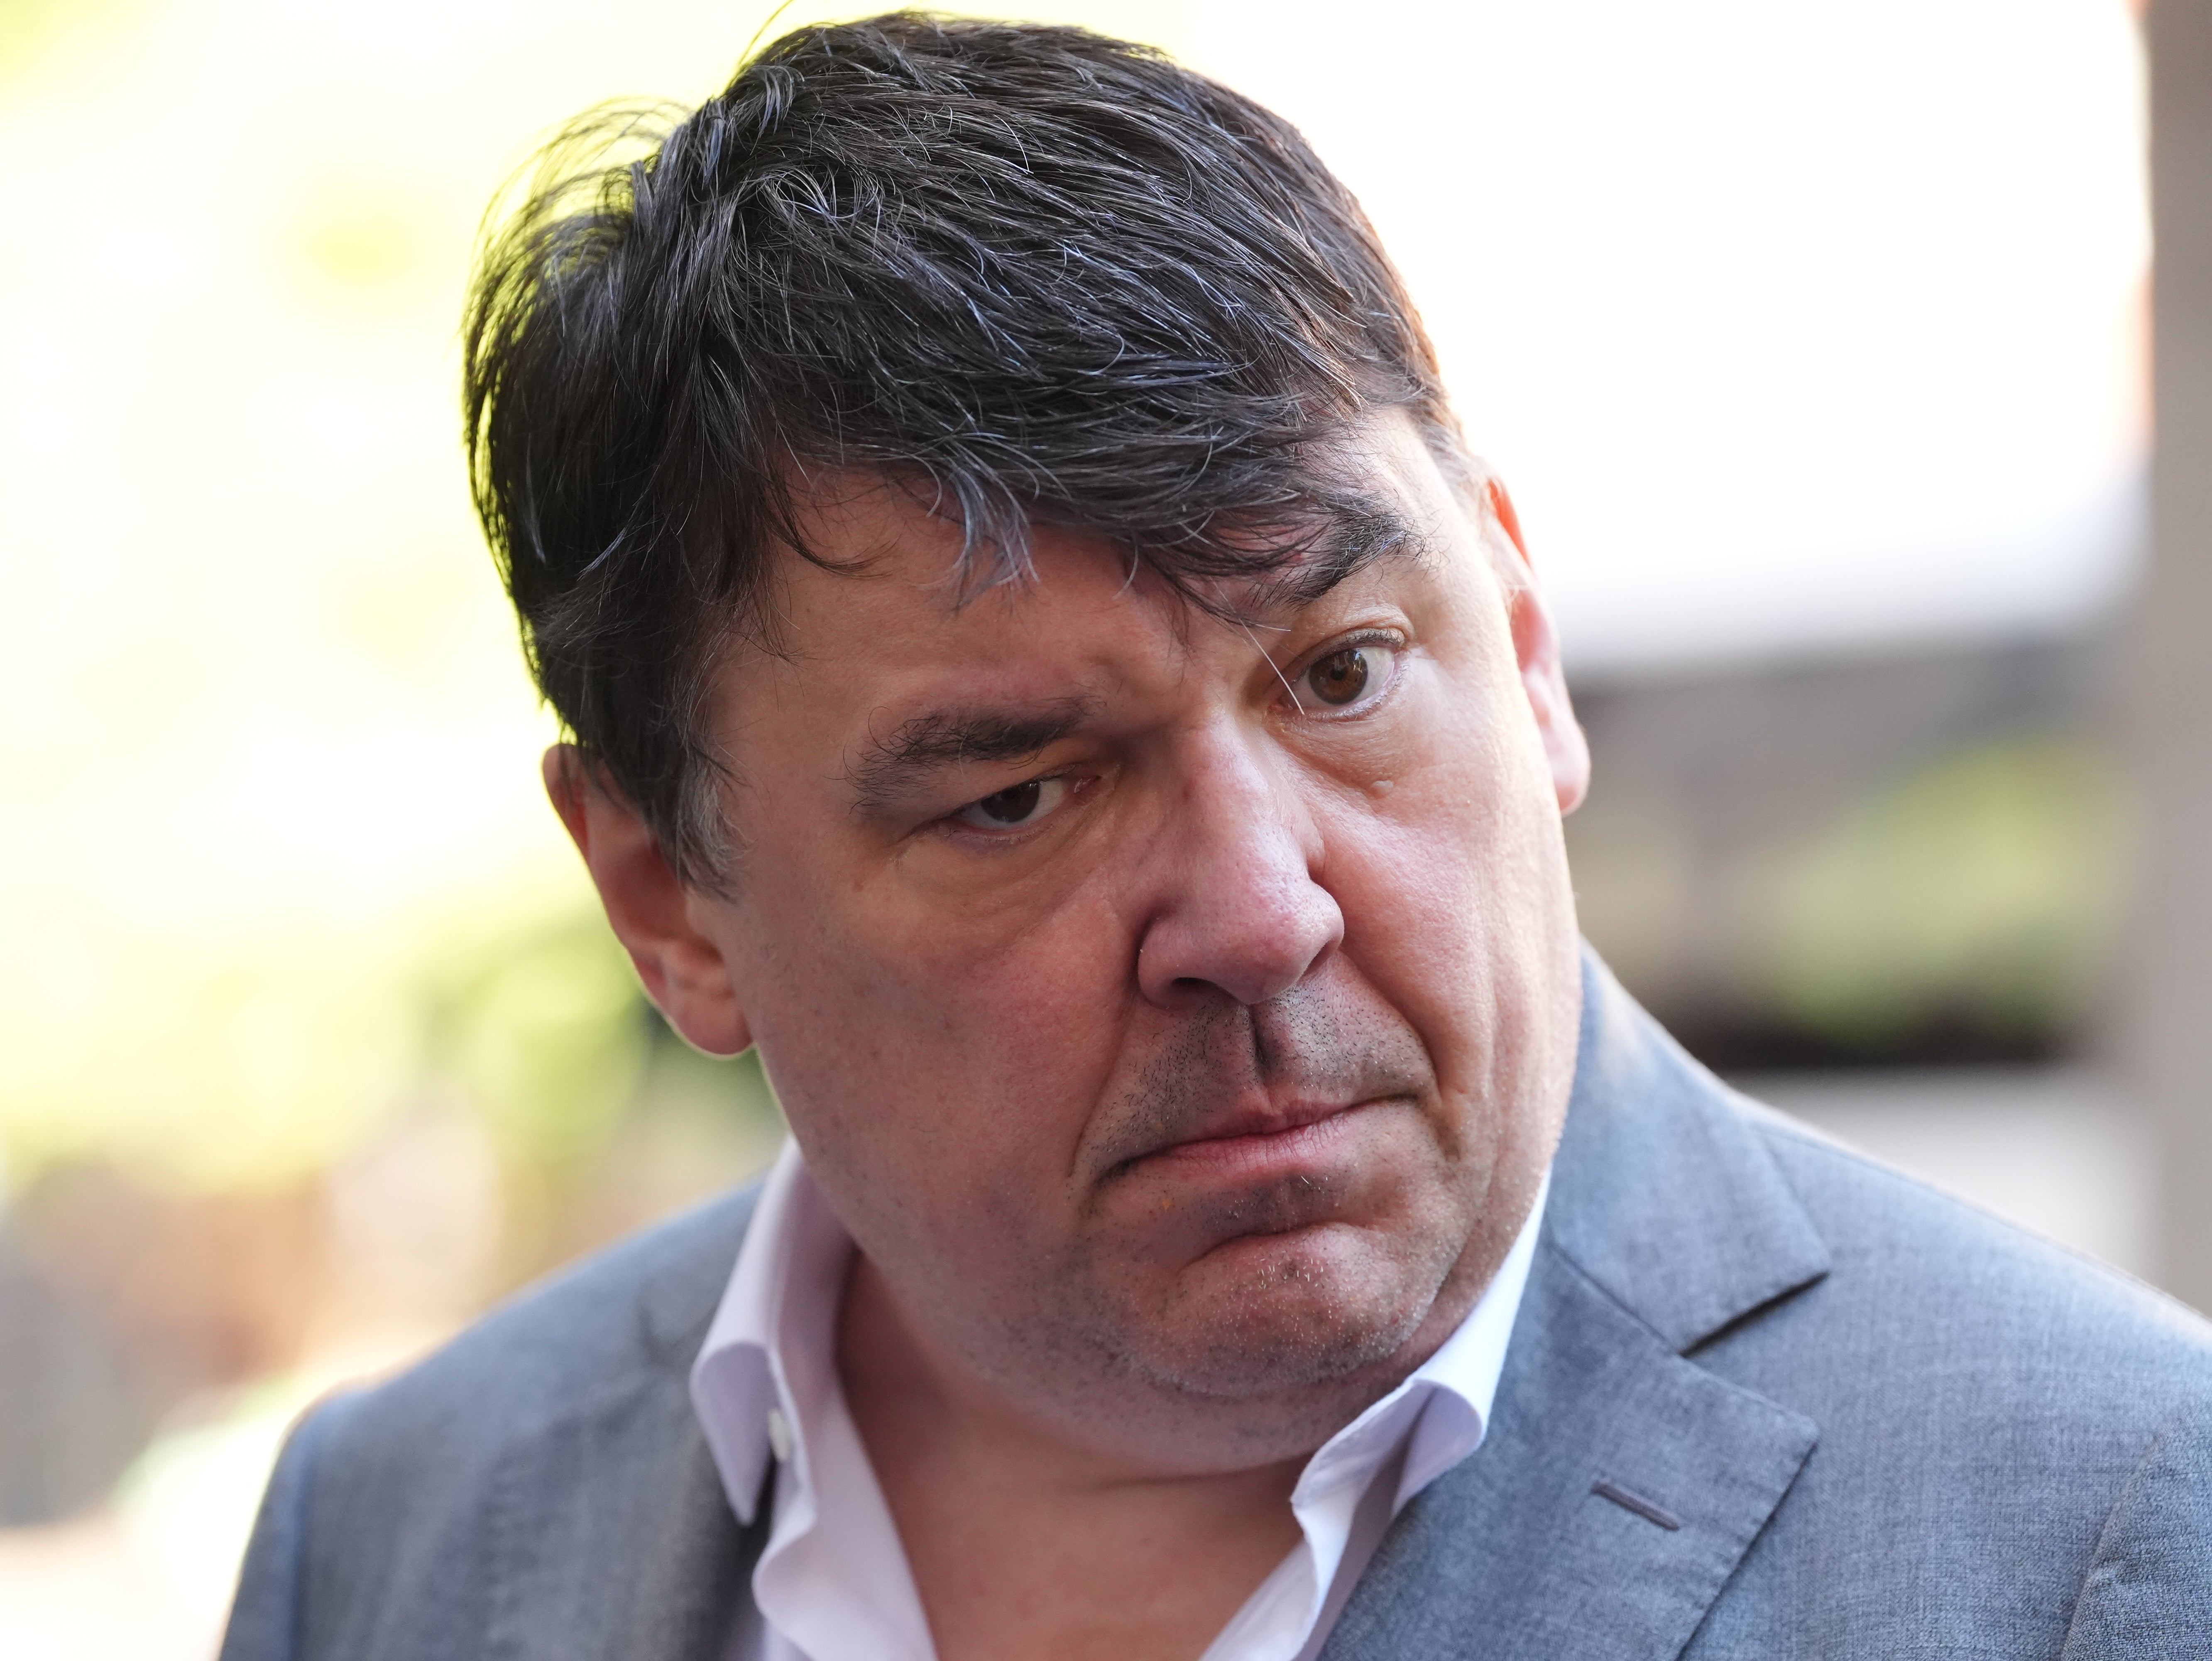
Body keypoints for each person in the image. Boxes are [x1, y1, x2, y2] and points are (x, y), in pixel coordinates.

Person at [220, 15, 2212, 1660]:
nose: (1261, 913)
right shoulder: (397, 1541)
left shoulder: (2102, 1529)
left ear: (1520, 651)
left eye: (1342, 675)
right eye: (1014, 793)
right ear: (668, 902)